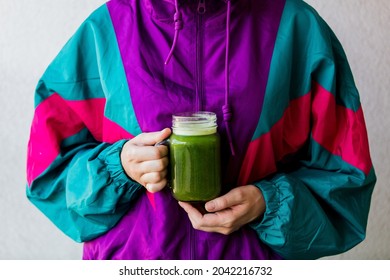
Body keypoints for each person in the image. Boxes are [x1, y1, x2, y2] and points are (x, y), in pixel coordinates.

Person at [26, 0, 376, 260]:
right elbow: (47, 173)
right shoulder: (108, 29)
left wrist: (268, 205)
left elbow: (346, 185)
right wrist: (119, 167)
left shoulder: (297, 29)